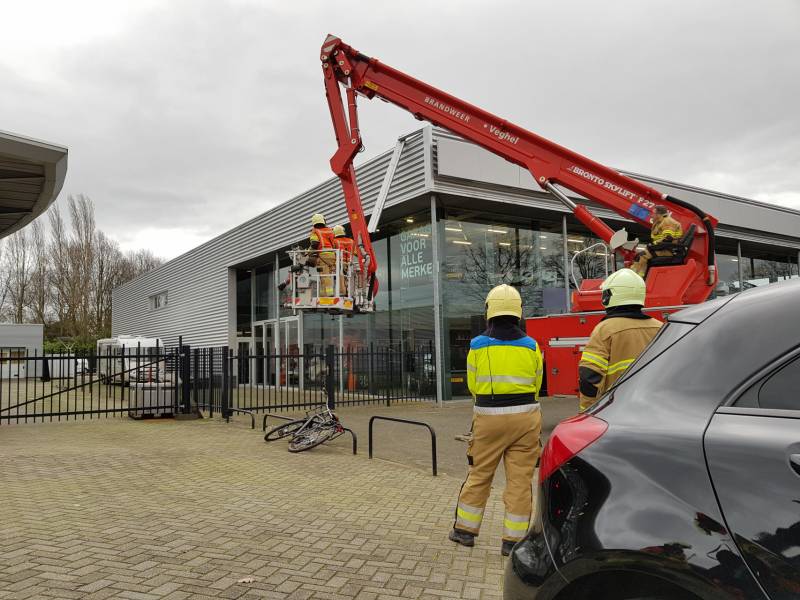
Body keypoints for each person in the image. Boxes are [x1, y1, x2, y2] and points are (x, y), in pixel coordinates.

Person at [449, 284, 544, 557]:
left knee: (479, 474)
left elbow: (472, 384)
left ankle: (465, 532)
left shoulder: (477, 345)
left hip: (489, 418)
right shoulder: (532, 346)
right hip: (526, 418)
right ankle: (513, 542)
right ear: (518, 312)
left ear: (489, 311)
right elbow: (537, 383)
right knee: (519, 481)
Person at [578, 268, 662, 411]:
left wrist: (587, 411)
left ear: (609, 296)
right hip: (653, 407)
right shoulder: (660, 327)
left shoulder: (605, 330)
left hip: (616, 410)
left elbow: (589, 377)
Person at [631, 205, 683, 277]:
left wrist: (652, 246)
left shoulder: (668, 222)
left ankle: (637, 276)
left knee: (642, 256)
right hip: (663, 247)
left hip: (668, 250)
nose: (651, 215)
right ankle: (636, 275)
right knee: (638, 255)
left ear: (658, 214)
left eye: (653, 213)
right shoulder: (661, 221)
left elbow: (668, 239)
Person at [331, 224, 355, 296]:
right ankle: (350, 293)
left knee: (340, 279)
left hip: (340, 264)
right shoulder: (351, 241)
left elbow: (332, 252)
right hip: (349, 264)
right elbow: (355, 252)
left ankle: (342, 293)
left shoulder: (334, 241)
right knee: (349, 280)